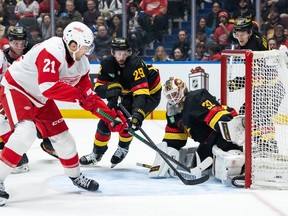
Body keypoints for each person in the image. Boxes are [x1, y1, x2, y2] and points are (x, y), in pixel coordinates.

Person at [0, 22, 127, 206]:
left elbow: (88, 96)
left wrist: (110, 118)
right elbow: (48, 86)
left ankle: (76, 177)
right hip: (17, 89)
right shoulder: (52, 50)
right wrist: (78, 95)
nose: (87, 51)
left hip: (41, 98)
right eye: (85, 47)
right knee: (25, 132)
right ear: (72, 44)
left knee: (64, 138)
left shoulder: (81, 64)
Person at [80, 37, 162, 168]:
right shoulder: (107, 63)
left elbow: (141, 95)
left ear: (130, 53)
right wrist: (109, 90)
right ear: (112, 52)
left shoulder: (136, 65)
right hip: (128, 92)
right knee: (105, 121)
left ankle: (123, 148)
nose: (122, 57)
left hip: (150, 93)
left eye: (125, 53)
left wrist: (138, 115)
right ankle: (96, 153)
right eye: (119, 53)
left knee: (128, 121)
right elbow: (99, 89)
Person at [148, 76, 244, 184]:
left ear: (182, 89)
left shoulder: (195, 98)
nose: (173, 99)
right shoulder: (172, 112)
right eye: (169, 96)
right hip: (207, 140)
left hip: (221, 131)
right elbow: (174, 137)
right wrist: (166, 155)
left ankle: (244, 165)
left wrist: (231, 132)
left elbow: (216, 115)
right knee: (201, 162)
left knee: (226, 154)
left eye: (174, 94)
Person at [229, 17, 282, 152]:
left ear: (249, 33)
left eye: (242, 34)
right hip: (266, 83)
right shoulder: (252, 36)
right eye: (237, 34)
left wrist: (236, 83)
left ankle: (269, 143)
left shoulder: (253, 49)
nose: (239, 38)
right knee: (246, 112)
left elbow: (257, 76)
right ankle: (260, 140)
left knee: (260, 113)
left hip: (271, 86)